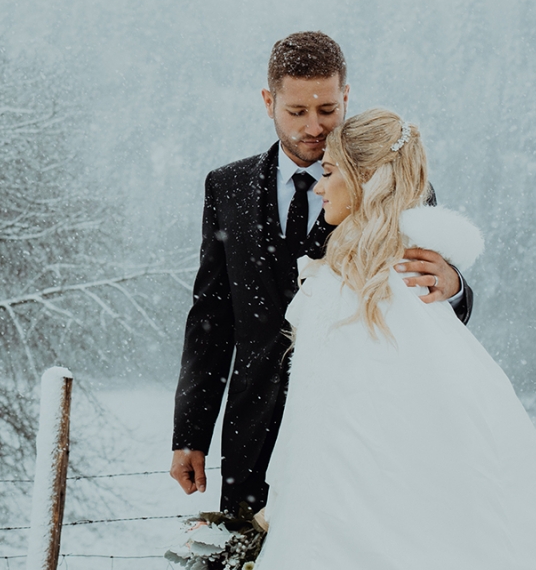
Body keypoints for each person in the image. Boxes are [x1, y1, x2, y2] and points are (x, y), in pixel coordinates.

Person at [219, 109, 536, 570]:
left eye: (333, 172)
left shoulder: (399, 283)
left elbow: (425, 404)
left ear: (366, 181)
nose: (320, 185)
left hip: (359, 505)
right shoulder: (348, 268)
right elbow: (218, 317)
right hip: (318, 492)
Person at [171, 32, 473, 513]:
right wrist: (190, 432)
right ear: (269, 101)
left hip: (354, 441)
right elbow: (211, 319)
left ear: (346, 96)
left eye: (328, 110)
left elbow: (426, 315)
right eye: (296, 112)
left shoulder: (396, 188)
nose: (314, 127)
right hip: (251, 438)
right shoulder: (226, 187)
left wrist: (453, 287)